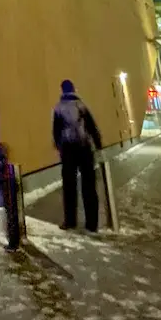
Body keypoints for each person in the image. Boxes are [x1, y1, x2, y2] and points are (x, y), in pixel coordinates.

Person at [52, 79, 102, 233]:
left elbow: (56, 131)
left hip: (68, 151)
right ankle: (92, 224)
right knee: (89, 186)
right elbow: (92, 127)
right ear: (73, 89)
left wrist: (59, 146)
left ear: (62, 90)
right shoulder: (82, 106)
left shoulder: (58, 108)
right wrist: (98, 145)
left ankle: (70, 221)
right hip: (85, 148)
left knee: (69, 186)